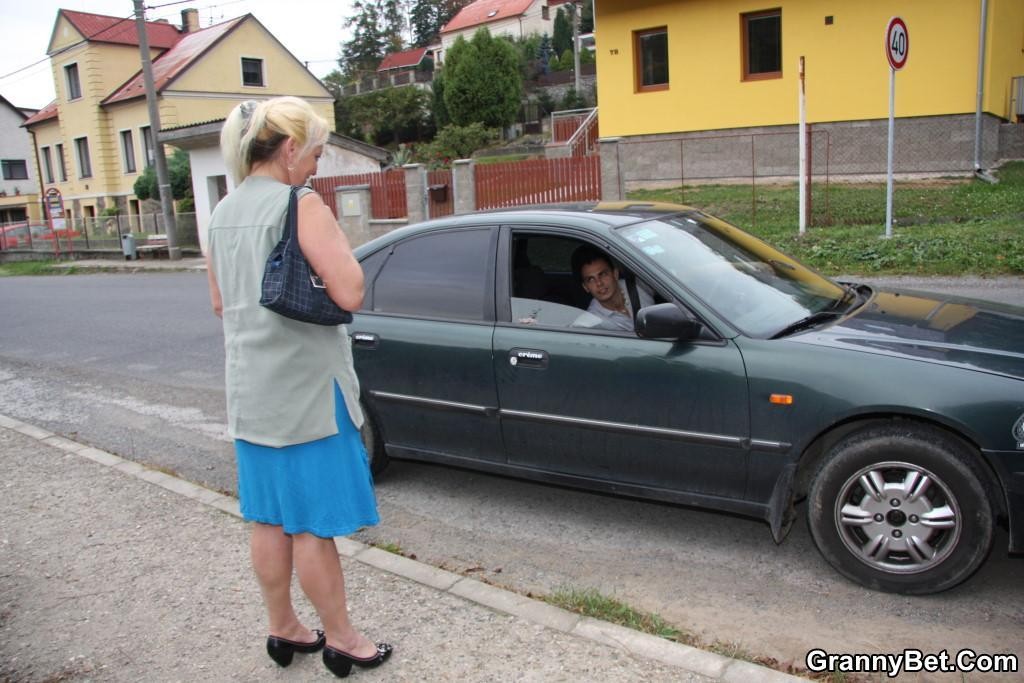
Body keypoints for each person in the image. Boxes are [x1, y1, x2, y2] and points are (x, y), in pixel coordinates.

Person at [206, 97, 392, 679]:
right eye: (313, 154)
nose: (314, 166)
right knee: (315, 525)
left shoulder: (221, 212)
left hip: (251, 390)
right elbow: (352, 291)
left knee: (269, 518)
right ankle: (343, 639)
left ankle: (283, 626)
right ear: (288, 150)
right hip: (310, 391)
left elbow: (219, 304)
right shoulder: (300, 203)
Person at [570, 245, 654, 331]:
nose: (599, 283)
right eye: (591, 279)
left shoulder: (638, 285)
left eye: (602, 274)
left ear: (615, 274)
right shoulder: (588, 324)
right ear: (586, 287)